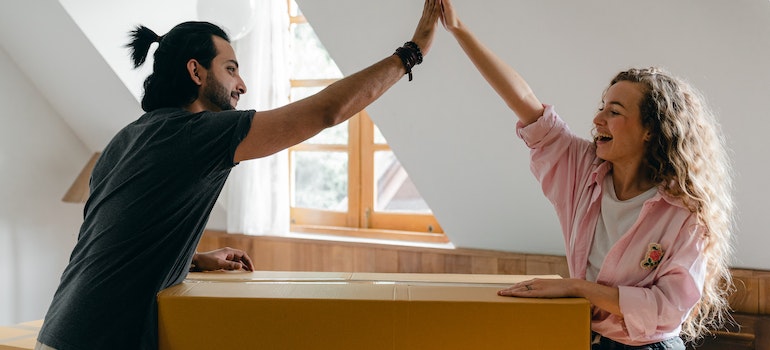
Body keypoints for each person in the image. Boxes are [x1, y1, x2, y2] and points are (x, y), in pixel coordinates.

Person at [36, 1, 441, 349]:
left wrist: (191, 258)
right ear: (196, 72)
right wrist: (413, 52)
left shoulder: (128, 137)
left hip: (58, 329)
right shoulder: (200, 134)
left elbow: (110, 240)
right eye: (231, 69)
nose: (242, 84)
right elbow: (325, 112)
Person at [439, 1, 734, 349]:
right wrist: (460, 31)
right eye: (601, 108)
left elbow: (667, 310)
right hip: (582, 338)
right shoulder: (581, 170)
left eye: (615, 111)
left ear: (650, 131)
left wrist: (577, 288)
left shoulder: (685, 212)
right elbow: (523, 100)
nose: (598, 120)